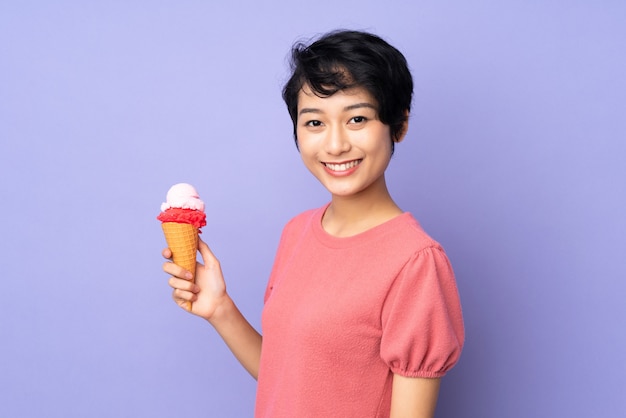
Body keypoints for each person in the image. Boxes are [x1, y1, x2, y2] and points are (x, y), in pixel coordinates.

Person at [163, 29, 464, 418]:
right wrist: (220, 308)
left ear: (399, 125)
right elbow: (286, 381)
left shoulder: (417, 262)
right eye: (314, 123)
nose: (335, 144)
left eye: (357, 118)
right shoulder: (297, 231)